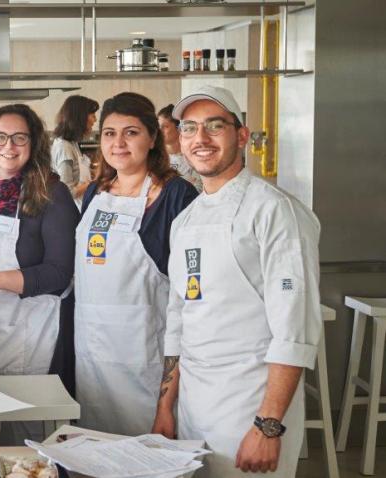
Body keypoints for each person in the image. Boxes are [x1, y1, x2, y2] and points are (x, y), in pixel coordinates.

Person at [151, 85, 321, 476]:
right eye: (190, 128)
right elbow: (178, 318)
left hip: (251, 407)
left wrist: (268, 426)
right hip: (193, 407)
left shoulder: (275, 211)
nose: (201, 138)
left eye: (214, 126)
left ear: (241, 136)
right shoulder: (185, 221)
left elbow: (294, 329)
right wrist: (165, 407)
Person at [75, 92, 198, 436]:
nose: (118, 143)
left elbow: (187, 299)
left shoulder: (176, 196)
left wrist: (168, 400)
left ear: (152, 138)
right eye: (109, 133)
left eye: (131, 132)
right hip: (92, 357)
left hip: (146, 359)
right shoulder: (95, 193)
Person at [0, 103, 79, 381]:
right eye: (0, 137)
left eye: (19, 137)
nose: (9, 146)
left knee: (21, 406)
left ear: (33, 144)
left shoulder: (52, 194)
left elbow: (60, 273)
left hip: (28, 335)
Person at [51, 95, 100, 201]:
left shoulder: (71, 143)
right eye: (92, 115)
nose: (95, 119)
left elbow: (76, 173)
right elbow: (67, 193)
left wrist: (93, 173)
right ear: (80, 118)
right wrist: (92, 184)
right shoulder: (64, 148)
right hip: (73, 208)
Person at [158, 104, 202, 191]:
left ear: (179, 128)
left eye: (165, 126)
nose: (160, 131)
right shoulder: (156, 158)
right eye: (158, 126)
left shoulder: (195, 155)